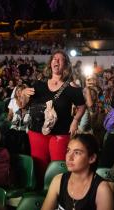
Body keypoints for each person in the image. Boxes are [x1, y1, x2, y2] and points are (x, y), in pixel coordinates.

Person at [21, 50, 86, 187]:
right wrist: (22, 94)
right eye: (54, 59)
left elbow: (81, 106)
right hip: (37, 132)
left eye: (60, 59)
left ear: (66, 65)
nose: (56, 61)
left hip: (60, 133)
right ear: (50, 63)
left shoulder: (72, 87)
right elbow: (23, 105)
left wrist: (75, 121)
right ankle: (41, 195)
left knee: (58, 166)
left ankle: (58, 194)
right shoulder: (39, 84)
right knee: (39, 166)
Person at [41, 134, 113, 210]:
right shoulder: (58, 180)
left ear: (92, 158)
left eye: (77, 152)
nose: (69, 157)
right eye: (68, 150)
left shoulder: (102, 189)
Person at [6, 85, 30, 155]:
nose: (18, 93)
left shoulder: (30, 110)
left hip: (25, 134)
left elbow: (28, 129)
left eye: (22, 98)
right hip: (16, 132)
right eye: (17, 91)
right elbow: (13, 124)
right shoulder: (17, 111)